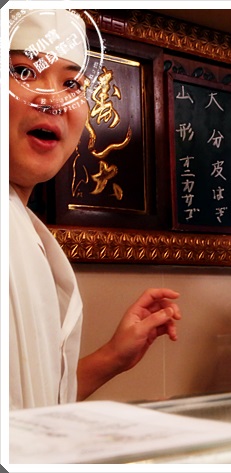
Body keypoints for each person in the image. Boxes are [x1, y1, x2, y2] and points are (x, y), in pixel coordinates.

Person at [9, 9, 182, 410]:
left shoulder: (22, 225)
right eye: (23, 71)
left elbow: (34, 400)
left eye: (71, 83)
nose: (53, 100)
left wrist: (113, 357)